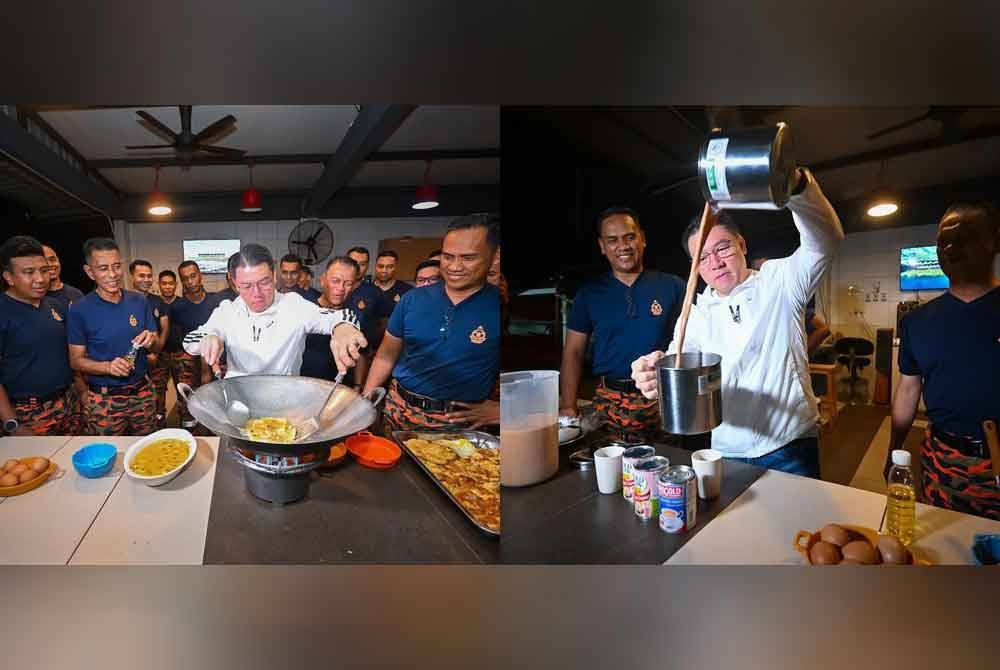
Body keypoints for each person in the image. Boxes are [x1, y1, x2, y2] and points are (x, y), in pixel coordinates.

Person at [631, 168, 844, 479]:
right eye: (702, 258)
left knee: (799, 526)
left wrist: (799, 186)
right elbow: (679, 356)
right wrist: (655, 371)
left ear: (742, 245)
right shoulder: (697, 313)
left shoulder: (780, 281)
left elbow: (826, 241)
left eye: (722, 248)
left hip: (790, 443)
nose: (715, 263)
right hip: (727, 449)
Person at [888, 202, 1000, 520]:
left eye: (965, 236)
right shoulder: (918, 322)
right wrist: (892, 452)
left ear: (995, 241)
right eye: (943, 241)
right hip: (943, 465)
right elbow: (909, 390)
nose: (951, 247)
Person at [363, 215, 500, 431]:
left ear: (494, 257)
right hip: (400, 413)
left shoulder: (500, 304)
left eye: (468, 258)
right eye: (448, 257)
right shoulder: (412, 299)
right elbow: (385, 356)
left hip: (460, 425)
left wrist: (504, 409)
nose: (455, 266)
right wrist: (366, 401)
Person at [560, 206, 685, 440]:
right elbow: (573, 352)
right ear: (602, 247)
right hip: (609, 402)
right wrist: (568, 405)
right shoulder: (589, 294)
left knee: (666, 466)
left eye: (630, 237)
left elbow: (691, 343)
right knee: (610, 472)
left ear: (642, 239)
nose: (623, 246)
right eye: (613, 240)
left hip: (662, 398)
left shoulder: (673, 286)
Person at [183, 244, 366, 378]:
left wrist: (343, 328)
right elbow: (190, 340)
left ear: (273, 276)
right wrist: (209, 339)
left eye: (264, 282)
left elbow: (342, 316)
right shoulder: (228, 311)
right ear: (234, 283)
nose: (257, 294)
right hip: (239, 402)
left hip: (285, 403)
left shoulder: (293, 306)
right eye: (246, 286)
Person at [67, 238, 160, 436]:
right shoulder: (79, 310)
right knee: (108, 458)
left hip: (142, 394)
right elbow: (76, 361)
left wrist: (151, 340)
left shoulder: (139, 301)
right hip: (105, 401)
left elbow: (156, 346)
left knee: (149, 451)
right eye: (103, 268)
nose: (112, 274)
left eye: (116, 266)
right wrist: (107, 367)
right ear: (90, 272)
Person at [0, 236, 78, 435]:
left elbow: (69, 355)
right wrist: (11, 423)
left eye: (44, 270)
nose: (40, 279)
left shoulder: (55, 306)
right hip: (29, 413)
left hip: (69, 402)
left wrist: (83, 391)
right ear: (9, 277)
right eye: (29, 272)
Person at [168, 260, 222, 430]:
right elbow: (176, 343)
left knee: (216, 404)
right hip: (188, 364)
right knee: (188, 406)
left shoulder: (217, 301)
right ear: (182, 282)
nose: (190, 282)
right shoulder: (177, 307)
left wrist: (209, 364)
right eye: (185, 279)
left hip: (214, 361)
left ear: (200, 276)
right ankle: (190, 435)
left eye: (193, 276)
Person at [300, 256, 369, 385]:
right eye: (335, 281)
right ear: (323, 280)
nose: (341, 288)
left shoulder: (355, 318)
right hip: (303, 384)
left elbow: (361, 355)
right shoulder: (306, 310)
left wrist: (358, 386)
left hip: (337, 389)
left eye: (348, 283)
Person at [752, 255, 831, 357]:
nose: (761, 274)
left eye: (765, 270)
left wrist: (802, 352)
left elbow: (824, 330)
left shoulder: (787, 299)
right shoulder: (745, 302)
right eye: (757, 270)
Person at [129, 260, 171, 427]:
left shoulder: (158, 301)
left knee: (158, 392)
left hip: (156, 358)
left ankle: (160, 422)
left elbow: (164, 328)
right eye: (141, 276)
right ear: (132, 276)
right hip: (133, 361)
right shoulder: (125, 300)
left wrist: (156, 351)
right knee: (137, 397)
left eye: (149, 276)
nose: (146, 279)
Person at [41, 244, 84, 311]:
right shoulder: (35, 297)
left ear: (58, 260)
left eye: (52, 260)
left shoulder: (75, 294)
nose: (49, 265)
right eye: (44, 262)